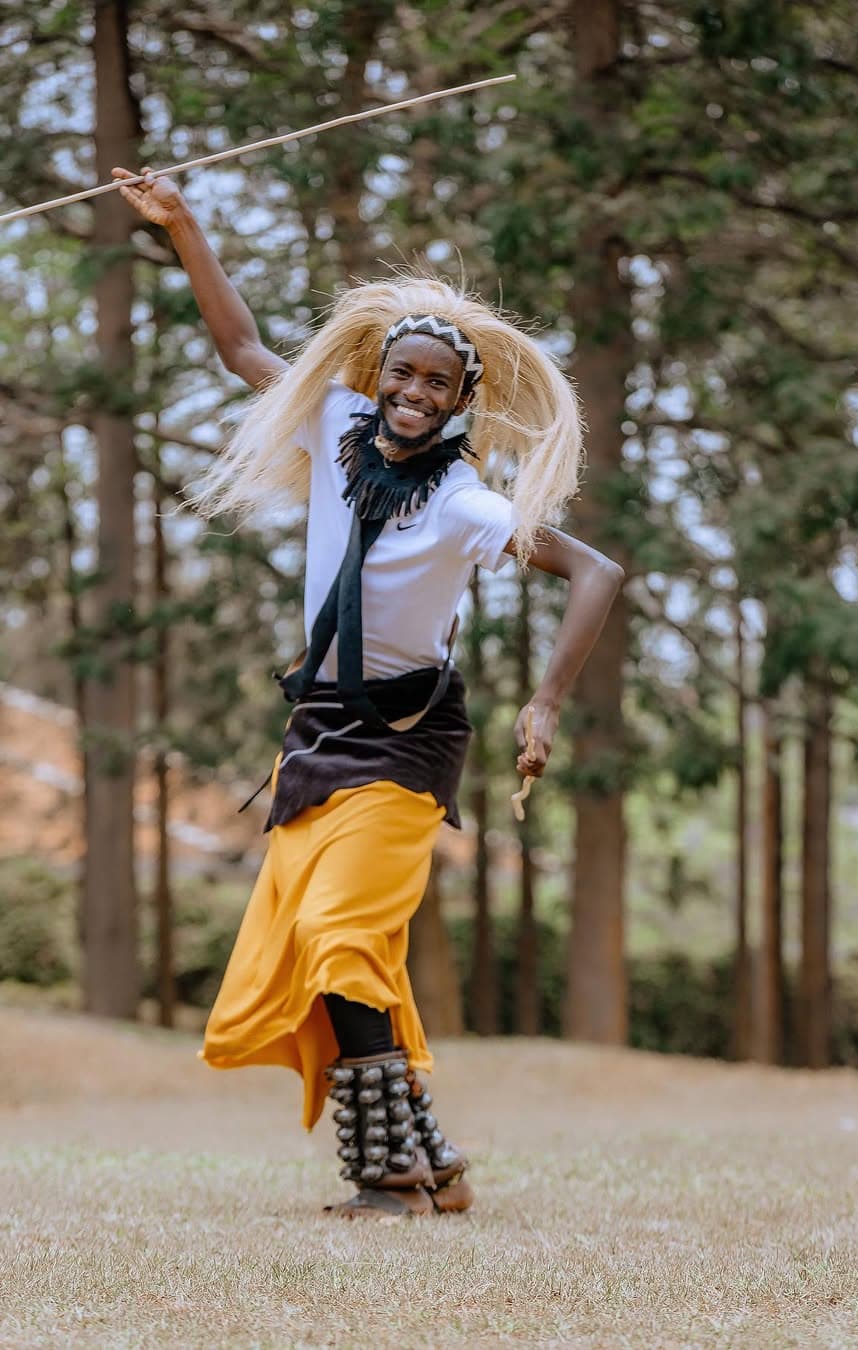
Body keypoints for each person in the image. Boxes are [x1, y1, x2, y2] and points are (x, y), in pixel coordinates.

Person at [114, 165, 625, 1218]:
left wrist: (547, 702)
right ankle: (425, 1160)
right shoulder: (334, 424)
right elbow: (244, 348)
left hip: (406, 741)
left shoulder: (467, 503)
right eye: (405, 373)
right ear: (379, 372)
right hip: (316, 738)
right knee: (326, 952)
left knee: (345, 940)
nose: (415, 394)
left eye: (438, 384)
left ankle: (387, 1175)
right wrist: (183, 224)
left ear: (460, 399)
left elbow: (597, 572)